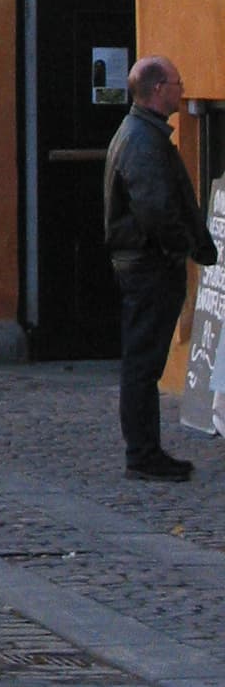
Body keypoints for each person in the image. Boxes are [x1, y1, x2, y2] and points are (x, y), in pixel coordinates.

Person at [103, 55, 216, 482]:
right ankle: (143, 454)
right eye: (175, 82)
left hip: (144, 261)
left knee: (142, 362)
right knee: (143, 364)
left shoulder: (142, 135)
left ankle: (145, 452)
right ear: (156, 90)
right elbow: (156, 208)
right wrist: (178, 248)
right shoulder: (142, 141)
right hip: (147, 265)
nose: (181, 88)